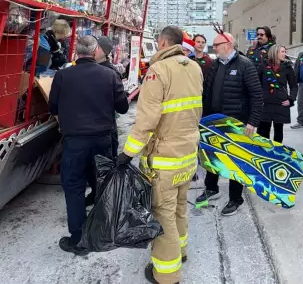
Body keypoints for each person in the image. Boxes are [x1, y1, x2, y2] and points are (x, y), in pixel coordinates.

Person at [116, 26, 203, 284]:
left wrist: (127, 153)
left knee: (163, 214)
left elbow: (146, 121)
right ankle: (181, 252)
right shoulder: (194, 67)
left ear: (163, 42)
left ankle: (167, 275)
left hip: (165, 159)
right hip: (188, 153)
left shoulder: (158, 71)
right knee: (179, 208)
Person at [48, 36, 129, 256]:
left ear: (75, 52)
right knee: (102, 183)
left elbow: (52, 106)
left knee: (73, 188)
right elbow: (123, 108)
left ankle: (79, 240)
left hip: (75, 142)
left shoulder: (62, 76)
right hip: (103, 140)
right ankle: (104, 231)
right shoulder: (110, 75)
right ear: (94, 52)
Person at [196, 31, 263, 216]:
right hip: (214, 122)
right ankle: (212, 188)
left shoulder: (245, 65)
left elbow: (256, 96)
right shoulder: (216, 64)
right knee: (212, 156)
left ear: (228, 44)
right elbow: (207, 92)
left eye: (217, 44)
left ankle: (236, 198)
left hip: (236, 124)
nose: (214, 47)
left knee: (236, 161)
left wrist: (252, 121)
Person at [258, 45, 297, 144]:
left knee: (278, 131)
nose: (285, 54)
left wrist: (291, 99)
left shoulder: (288, 67)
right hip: (265, 103)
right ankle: (264, 151)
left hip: (281, 103)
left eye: (285, 51)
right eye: (282, 52)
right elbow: (257, 83)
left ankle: (277, 152)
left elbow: (294, 86)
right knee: (263, 131)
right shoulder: (263, 66)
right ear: (275, 53)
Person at [94, 36, 125, 159]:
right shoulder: (83, 68)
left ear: (103, 51)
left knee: (106, 162)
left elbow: (121, 105)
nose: (93, 50)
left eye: (96, 47)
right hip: (92, 129)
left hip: (106, 128)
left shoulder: (111, 73)